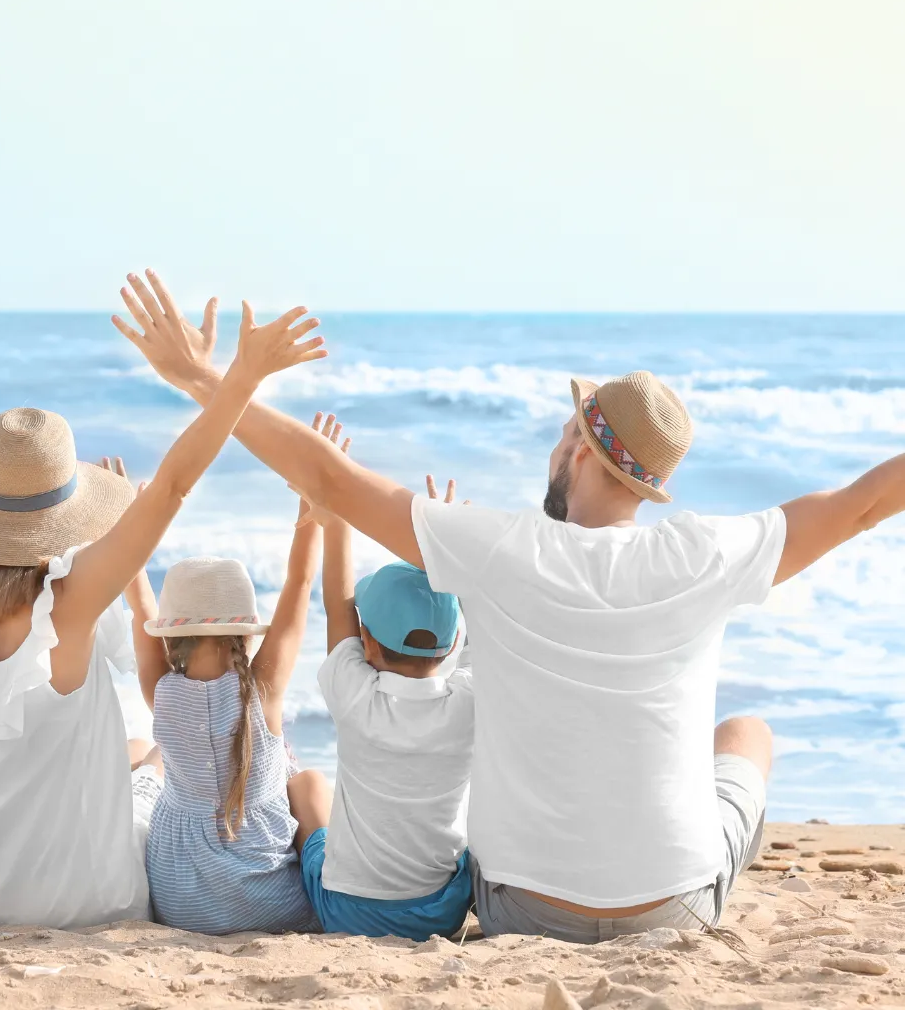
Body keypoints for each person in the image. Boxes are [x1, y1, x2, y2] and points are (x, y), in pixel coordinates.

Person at [114, 270, 905, 942]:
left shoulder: (500, 551)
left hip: (519, 911)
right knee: (745, 735)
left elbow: (330, 481)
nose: (555, 447)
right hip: (675, 910)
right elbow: (863, 505)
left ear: (583, 451)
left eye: (566, 432)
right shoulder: (705, 553)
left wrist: (202, 379)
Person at [0, 296, 324, 930]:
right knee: (153, 763)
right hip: (89, 899)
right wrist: (241, 378)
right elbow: (172, 484)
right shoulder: (72, 602)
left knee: (144, 750)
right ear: (61, 519)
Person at [130, 424, 333, 935]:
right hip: (274, 904)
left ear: (171, 639)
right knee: (305, 779)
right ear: (244, 633)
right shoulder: (261, 690)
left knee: (143, 760)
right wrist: (311, 506)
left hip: (181, 902)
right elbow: (300, 584)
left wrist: (129, 529)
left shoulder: (162, 692)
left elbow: (139, 609)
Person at [296, 424, 474, 941]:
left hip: (347, 912)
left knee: (307, 787)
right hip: (443, 911)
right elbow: (483, 615)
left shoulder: (355, 697)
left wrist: (333, 520)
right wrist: (451, 549)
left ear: (366, 642)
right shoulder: (470, 702)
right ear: (453, 641)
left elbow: (337, 605)